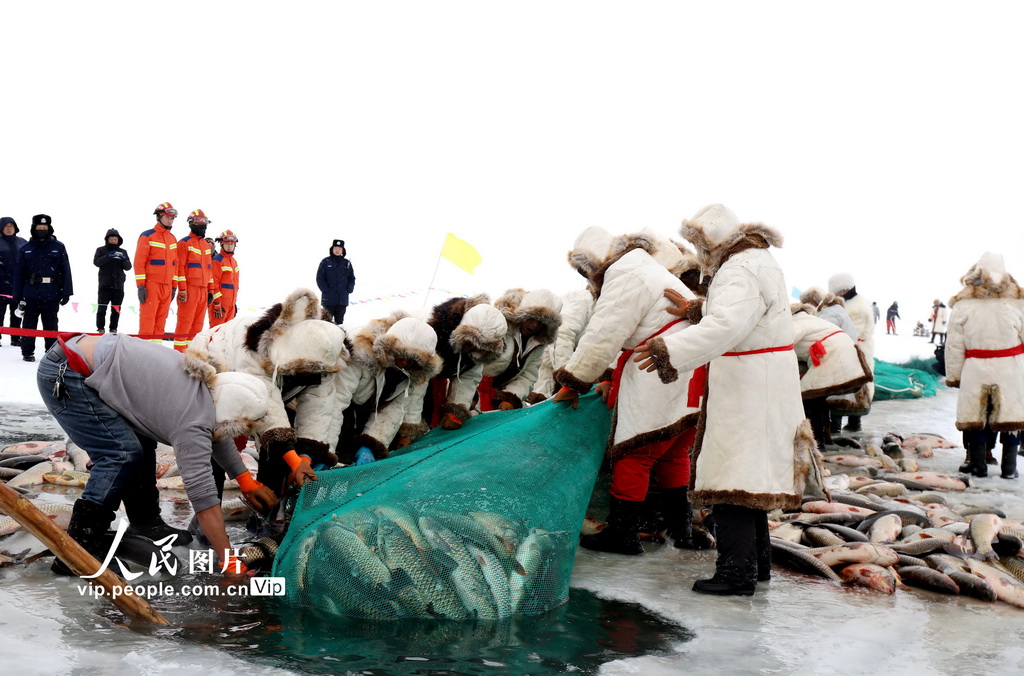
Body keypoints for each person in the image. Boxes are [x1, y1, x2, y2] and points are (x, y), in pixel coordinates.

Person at [634, 204, 818, 596]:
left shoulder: (737, 269)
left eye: (699, 243)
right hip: (765, 376)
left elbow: (729, 324)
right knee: (751, 475)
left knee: (733, 474)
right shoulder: (757, 259)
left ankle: (736, 573)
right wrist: (697, 308)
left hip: (748, 382)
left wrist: (670, 350)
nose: (698, 251)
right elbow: (751, 313)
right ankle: (758, 564)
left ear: (711, 240)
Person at [36, 332, 284, 576]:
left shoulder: (208, 389)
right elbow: (204, 499)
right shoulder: (192, 420)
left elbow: (217, 434)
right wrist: (230, 561)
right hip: (68, 371)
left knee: (140, 444)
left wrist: (245, 480)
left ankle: (145, 523)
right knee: (121, 454)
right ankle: (80, 545)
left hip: (86, 358)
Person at [552, 227, 705, 554]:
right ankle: (683, 532)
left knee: (635, 450)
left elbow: (603, 335)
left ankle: (623, 534)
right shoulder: (650, 270)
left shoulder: (626, 273)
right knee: (675, 451)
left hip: (659, 369)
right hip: (691, 370)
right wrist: (607, 374)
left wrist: (573, 382)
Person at [184, 288, 348, 494]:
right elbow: (268, 408)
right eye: (303, 370)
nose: (308, 375)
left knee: (281, 443)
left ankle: (268, 510)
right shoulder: (255, 350)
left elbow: (320, 406)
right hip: (218, 367)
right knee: (218, 441)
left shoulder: (325, 351)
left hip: (272, 381)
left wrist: (305, 456)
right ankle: (208, 507)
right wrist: (292, 458)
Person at [944, 252, 1024, 480]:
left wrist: (955, 376)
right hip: (1011, 367)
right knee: (1011, 415)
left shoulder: (963, 305)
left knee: (976, 416)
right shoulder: (1018, 303)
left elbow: (954, 346)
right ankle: (1009, 468)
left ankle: (978, 465)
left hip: (975, 367)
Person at [334, 313, 442, 464]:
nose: (404, 363)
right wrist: (322, 448)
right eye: (400, 356)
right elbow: (334, 402)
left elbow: (394, 408)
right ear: (390, 348)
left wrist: (371, 444)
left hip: (367, 415)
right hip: (343, 412)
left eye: (411, 361)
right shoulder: (359, 357)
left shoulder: (414, 372)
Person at [791, 302, 873, 451]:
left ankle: (816, 444)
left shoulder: (796, 323)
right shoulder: (813, 320)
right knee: (818, 400)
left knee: (807, 398)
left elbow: (785, 342)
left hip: (834, 359)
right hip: (851, 359)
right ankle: (825, 439)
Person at [422, 295, 508, 430]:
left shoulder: (478, 353)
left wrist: (455, 411)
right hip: (421, 383)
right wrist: (412, 423)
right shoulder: (434, 332)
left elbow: (469, 377)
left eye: (480, 347)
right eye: (471, 342)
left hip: (440, 383)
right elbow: (416, 379)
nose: (473, 348)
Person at [478, 289, 562, 411]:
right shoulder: (499, 326)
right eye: (531, 318)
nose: (534, 325)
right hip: (472, 389)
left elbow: (528, 376)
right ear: (522, 315)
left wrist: (511, 396)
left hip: (498, 397)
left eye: (540, 322)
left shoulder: (538, 343)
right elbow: (471, 361)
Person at [12, 215, 73, 363]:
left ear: (49, 229)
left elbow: (66, 269)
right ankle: (27, 352)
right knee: (29, 324)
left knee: (51, 325)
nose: (42, 230)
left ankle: (51, 353)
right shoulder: (25, 248)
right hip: (31, 293)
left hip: (52, 293)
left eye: (44, 228)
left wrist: (66, 291)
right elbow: (19, 273)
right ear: (33, 229)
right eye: (39, 228)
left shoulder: (58, 247)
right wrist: (17, 295)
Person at [826, 272, 875, 433]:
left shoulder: (857, 308)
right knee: (850, 386)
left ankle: (844, 424)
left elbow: (854, 332)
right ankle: (849, 423)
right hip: (853, 348)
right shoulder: (852, 303)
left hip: (855, 350)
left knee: (847, 386)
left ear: (844, 290)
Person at [134, 202, 180, 341]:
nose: (170, 221)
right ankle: (142, 356)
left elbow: (175, 264)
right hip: (151, 286)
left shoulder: (172, 239)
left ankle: (155, 354)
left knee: (161, 323)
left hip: (166, 287)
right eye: (167, 217)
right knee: (147, 322)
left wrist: (173, 286)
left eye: (172, 218)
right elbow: (139, 262)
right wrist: (141, 286)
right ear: (158, 217)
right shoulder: (147, 236)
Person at [173, 210, 215, 352]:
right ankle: (178, 355)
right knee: (184, 324)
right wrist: (183, 289)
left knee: (197, 326)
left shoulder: (205, 246)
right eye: (199, 222)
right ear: (191, 223)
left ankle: (192, 355)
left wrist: (211, 291)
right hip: (190, 289)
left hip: (203, 291)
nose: (202, 226)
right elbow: (180, 268)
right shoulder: (184, 243)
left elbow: (209, 271)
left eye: (204, 223)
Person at [93, 229, 131, 335]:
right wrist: (108, 256)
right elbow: (96, 262)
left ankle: (113, 329)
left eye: (115, 239)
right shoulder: (101, 250)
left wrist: (124, 259)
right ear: (107, 240)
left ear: (118, 240)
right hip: (104, 285)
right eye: (111, 239)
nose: (113, 241)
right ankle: (100, 328)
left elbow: (128, 267)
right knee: (102, 308)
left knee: (116, 309)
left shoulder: (123, 252)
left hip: (118, 285)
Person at [0, 216, 27, 346]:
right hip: (1, 286)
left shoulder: (22, 242)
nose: (9, 228)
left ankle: (15, 338)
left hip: (18, 285)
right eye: (6, 226)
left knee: (17, 313)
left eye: (11, 226)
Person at [316, 239, 355, 324]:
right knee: (326, 323)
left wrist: (349, 289)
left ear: (343, 250)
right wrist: (326, 290)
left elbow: (352, 278)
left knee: (339, 323)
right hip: (328, 299)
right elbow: (320, 278)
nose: (337, 250)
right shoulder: (325, 262)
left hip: (342, 300)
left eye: (339, 248)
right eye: (335, 248)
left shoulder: (347, 263)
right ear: (332, 249)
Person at [209, 230, 240, 327]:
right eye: (227, 243)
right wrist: (217, 303)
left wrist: (234, 304)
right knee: (216, 332)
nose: (229, 246)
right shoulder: (217, 261)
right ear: (221, 243)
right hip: (219, 305)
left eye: (231, 244)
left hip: (230, 305)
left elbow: (234, 286)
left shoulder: (233, 262)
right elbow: (214, 284)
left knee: (227, 334)